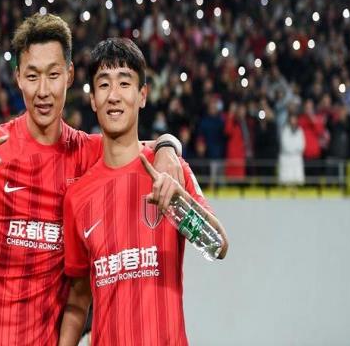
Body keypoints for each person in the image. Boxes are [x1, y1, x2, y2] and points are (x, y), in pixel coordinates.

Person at [0, 14, 184, 345]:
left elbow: (142, 148)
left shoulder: (85, 151)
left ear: (69, 75)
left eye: (53, 75)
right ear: (18, 78)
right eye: (32, 76)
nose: (43, 91)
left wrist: (168, 147)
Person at [60, 38, 228, 346]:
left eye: (125, 83)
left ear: (142, 95)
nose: (114, 95)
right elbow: (78, 300)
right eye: (104, 84)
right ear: (93, 99)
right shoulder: (77, 198)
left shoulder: (171, 171)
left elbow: (218, 246)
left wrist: (180, 205)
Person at [278, 113, 305, 185]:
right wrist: (294, 149)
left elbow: (302, 145)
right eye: (292, 119)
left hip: (296, 158)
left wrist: (295, 149)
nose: (293, 121)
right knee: (286, 180)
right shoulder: (284, 130)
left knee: (296, 180)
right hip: (286, 158)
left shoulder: (300, 130)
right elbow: (285, 145)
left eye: (294, 119)